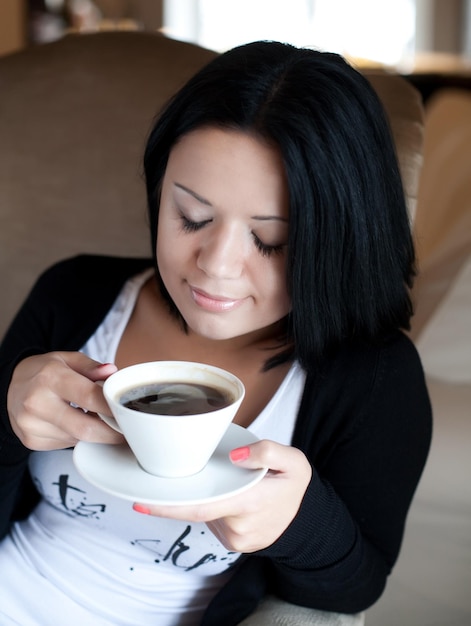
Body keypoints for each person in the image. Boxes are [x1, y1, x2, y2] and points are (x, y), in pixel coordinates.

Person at [0, 40, 432, 626]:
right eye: (192, 217)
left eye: (271, 239)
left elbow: (355, 589)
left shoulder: (374, 380)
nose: (216, 265)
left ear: (340, 240)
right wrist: (7, 412)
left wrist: (298, 524)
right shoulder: (73, 295)